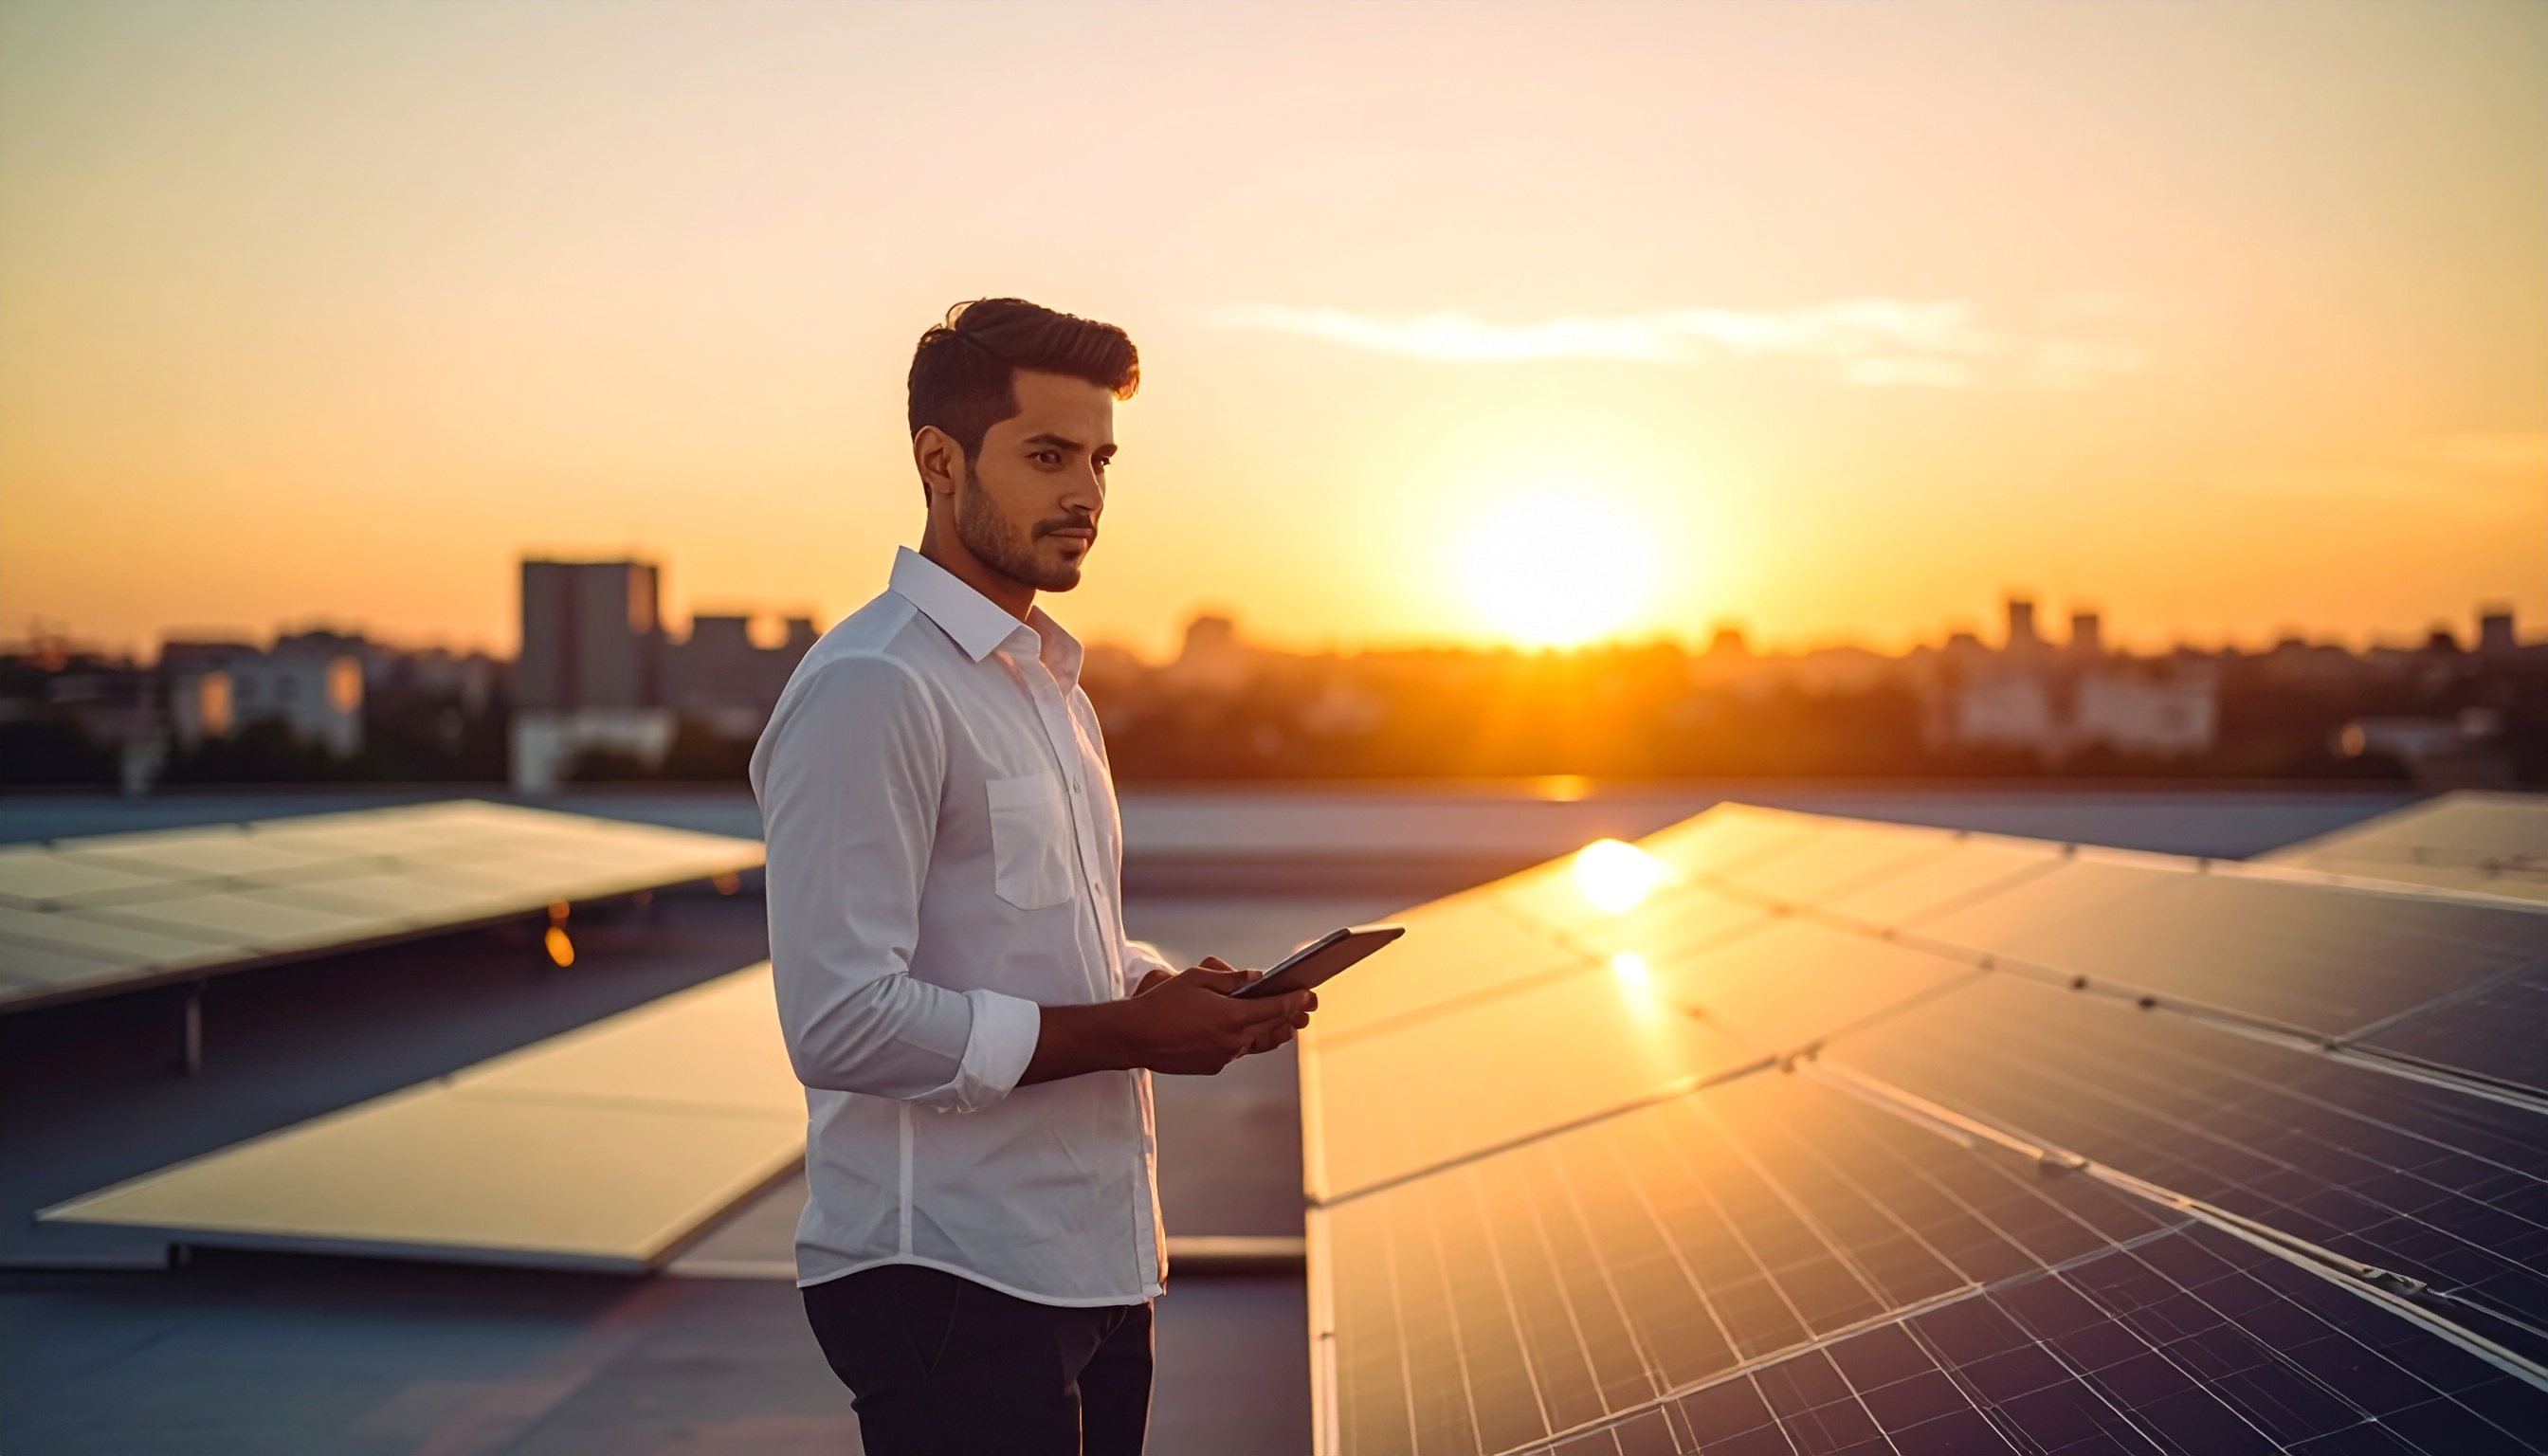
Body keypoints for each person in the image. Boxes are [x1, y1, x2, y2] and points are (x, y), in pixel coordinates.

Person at [751, 298, 1316, 1455]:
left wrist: (1162, 991)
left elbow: (1053, 945)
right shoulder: (872, 687)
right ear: (938, 460)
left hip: (1092, 1258)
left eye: (1102, 459)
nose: (1088, 495)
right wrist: (1126, 1032)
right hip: (947, 1273)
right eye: (1049, 456)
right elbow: (841, 1020)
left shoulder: (1051, 687)